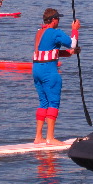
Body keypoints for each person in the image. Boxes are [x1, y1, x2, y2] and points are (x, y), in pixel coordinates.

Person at [32, 8, 80, 145]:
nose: (59, 21)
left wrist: (69, 53)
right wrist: (75, 29)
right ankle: (50, 138)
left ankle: (38, 137)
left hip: (36, 70)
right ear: (53, 20)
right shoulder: (55, 32)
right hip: (49, 71)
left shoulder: (39, 33)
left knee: (43, 102)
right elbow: (73, 43)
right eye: (58, 19)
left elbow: (47, 52)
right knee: (53, 102)